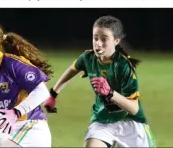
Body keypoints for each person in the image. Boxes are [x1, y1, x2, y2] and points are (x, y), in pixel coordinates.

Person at [45, 16, 156, 147]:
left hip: (130, 123)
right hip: (102, 121)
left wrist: (110, 93)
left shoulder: (123, 66)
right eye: (95, 38)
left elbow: (133, 108)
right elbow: (72, 69)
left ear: (116, 40)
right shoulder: (88, 57)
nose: (98, 43)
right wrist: (53, 93)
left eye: (104, 39)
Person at [0, 19, 53, 148]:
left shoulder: (13, 64)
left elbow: (42, 92)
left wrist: (15, 113)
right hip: (1, 129)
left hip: (30, 127)